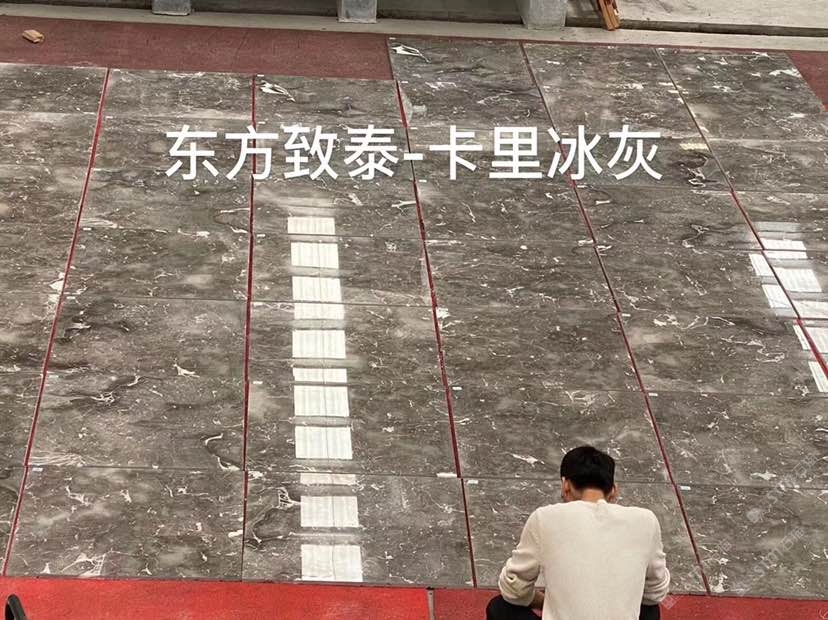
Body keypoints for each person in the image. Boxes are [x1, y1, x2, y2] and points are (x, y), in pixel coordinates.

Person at [486, 446, 670, 620]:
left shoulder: (545, 518)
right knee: (649, 608)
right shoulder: (646, 520)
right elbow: (655, 592)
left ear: (565, 486)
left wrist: (544, 602)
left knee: (499, 607)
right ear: (614, 491)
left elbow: (513, 588)